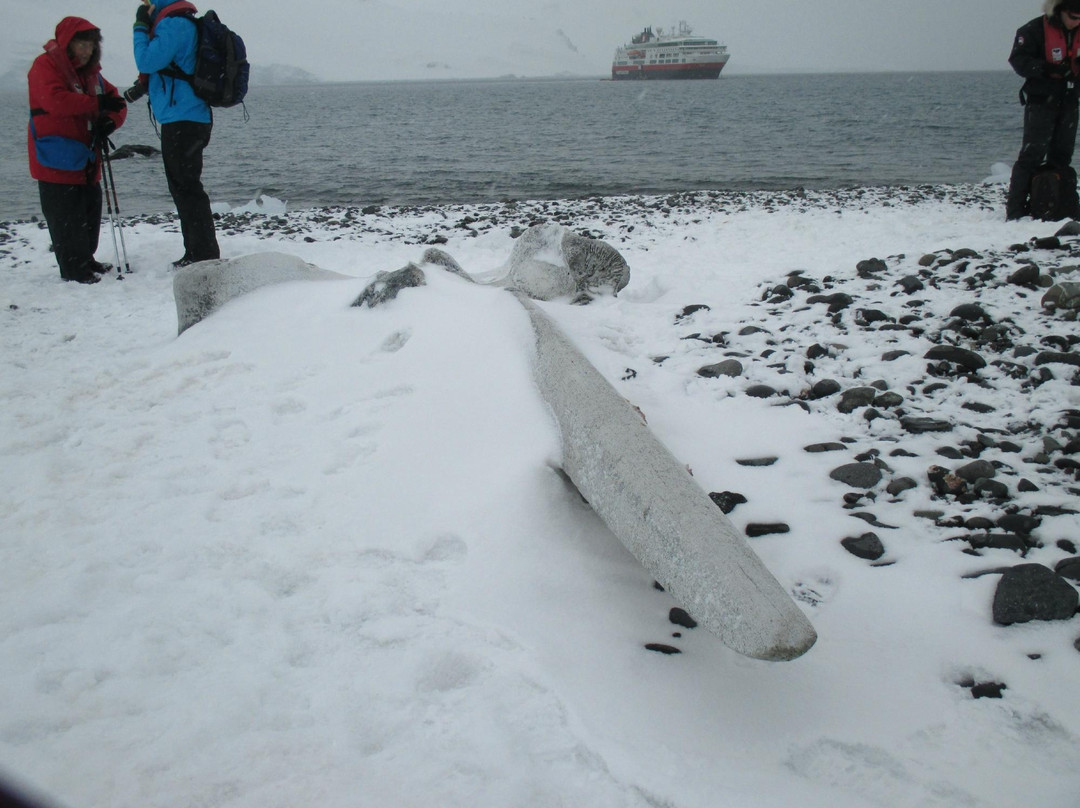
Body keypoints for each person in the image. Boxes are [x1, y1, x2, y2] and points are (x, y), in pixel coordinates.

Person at [27, 18, 127, 284]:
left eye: (91, 45)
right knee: (65, 217)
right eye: (81, 44)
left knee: (88, 213)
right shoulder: (44, 66)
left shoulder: (93, 74)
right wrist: (96, 104)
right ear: (67, 43)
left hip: (86, 158)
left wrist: (110, 121)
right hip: (56, 159)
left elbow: (116, 102)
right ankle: (72, 269)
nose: (86, 51)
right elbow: (56, 101)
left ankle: (86, 258)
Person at [130, 0, 220, 267]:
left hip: (183, 118)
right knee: (185, 187)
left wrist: (139, 27)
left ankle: (202, 254)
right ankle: (197, 251)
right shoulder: (185, 22)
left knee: (186, 188)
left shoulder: (173, 24)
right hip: (190, 116)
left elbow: (146, 60)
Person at [1006, 0, 1080, 220]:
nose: (1077, 22)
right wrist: (1046, 69)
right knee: (1031, 155)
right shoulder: (1033, 30)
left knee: (1062, 156)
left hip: (1070, 100)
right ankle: (1016, 211)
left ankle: (1057, 206)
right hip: (1041, 101)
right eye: (1074, 17)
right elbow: (1018, 60)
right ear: (1060, 11)